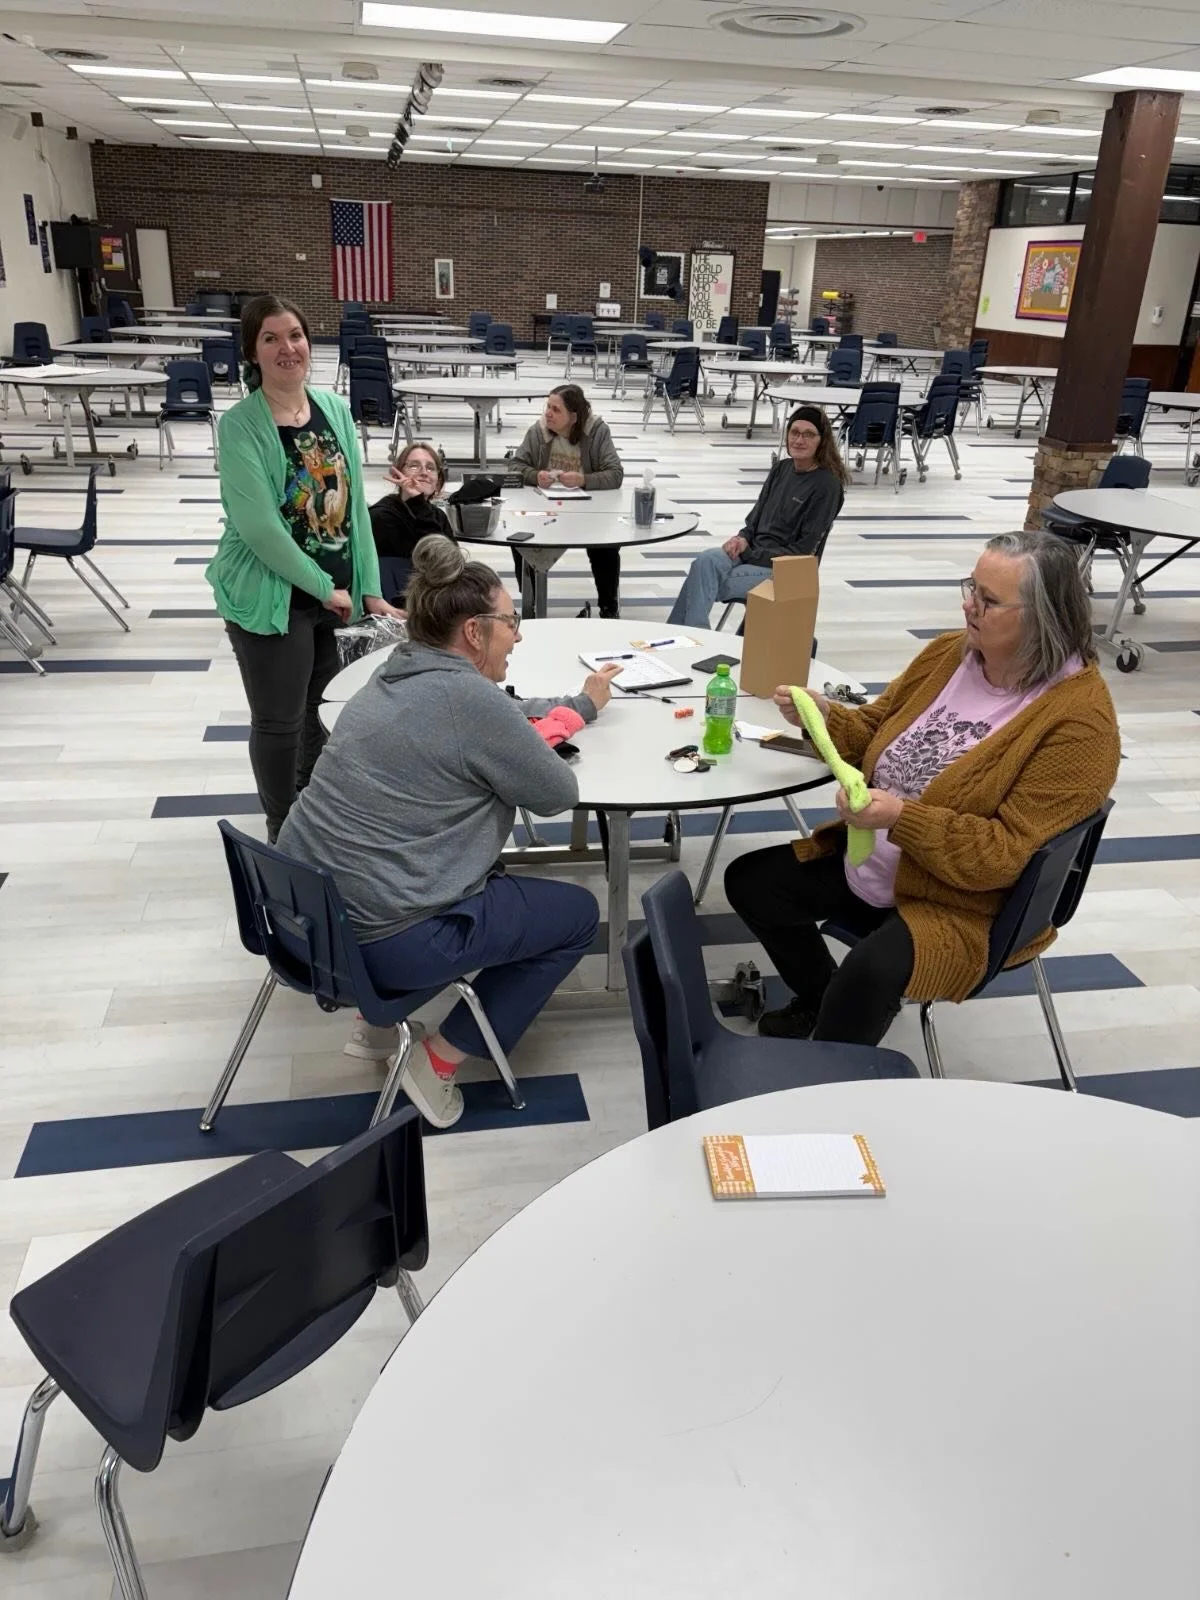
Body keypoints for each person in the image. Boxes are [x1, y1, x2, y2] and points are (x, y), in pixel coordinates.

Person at [724, 530, 1120, 1045]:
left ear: (1044, 617)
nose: (967, 604)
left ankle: (832, 1080)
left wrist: (900, 818)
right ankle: (822, 1007)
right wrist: (825, 717)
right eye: (970, 587)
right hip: (877, 861)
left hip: (961, 903)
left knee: (866, 974)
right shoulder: (950, 655)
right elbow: (875, 733)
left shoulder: (1078, 724)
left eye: (988, 599)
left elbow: (1004, 856)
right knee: (753, 883)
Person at [276, 534, 605, 1130]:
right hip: (384, 943)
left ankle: (375, 1030)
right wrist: (570, 716)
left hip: (303, 921)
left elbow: (491, 719)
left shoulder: (388, 673)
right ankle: (438, 1060)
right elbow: (557, 795)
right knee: (578, 914)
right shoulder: (468, 702)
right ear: (475, 632)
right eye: (512, 620)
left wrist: (571, 706)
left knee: (430, 851)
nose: (519, 634)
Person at [206, 294, 401, 842]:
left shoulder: (333, 409)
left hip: (335, 592)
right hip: (274, 594)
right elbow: (260, 527)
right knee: (280, 721)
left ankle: (312, 813)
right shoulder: (242, 426)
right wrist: (322, 587)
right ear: (253, 352)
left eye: (294, 334)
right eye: (270, 338)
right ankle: (280, 828)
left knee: (321, 711)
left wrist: (366, 588)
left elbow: (355, 505)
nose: (286, 347)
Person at [667, 405, 849, 628]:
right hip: (751, 553)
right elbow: (755, 518)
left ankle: (690, 641)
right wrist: (742, 538)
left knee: (704, 580)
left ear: (822, 441)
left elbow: (802, 552)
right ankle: (686, 638)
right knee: (704, 561)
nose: (799, 440)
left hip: (784, 571)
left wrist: (751, 552)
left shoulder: (827, 486)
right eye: (794, 432)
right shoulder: (781, 469)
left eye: (808, 434)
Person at [510, 383, 625, 617]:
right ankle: (530, 602)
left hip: (589, 511)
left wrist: (583, 479)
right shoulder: (538, 431)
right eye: (548, 407)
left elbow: (615, 473)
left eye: (556, 409)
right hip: (544, 509)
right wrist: (535, 476)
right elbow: (515, 465)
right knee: (520, 540)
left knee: (605, 547)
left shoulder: (597, 431)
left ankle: (608, 607)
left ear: (573, 416)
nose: (548, 414)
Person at [369, 441, 455, 605]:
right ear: (398, 475)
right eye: (414, 466)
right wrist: (418, 502)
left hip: (436, 603)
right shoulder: (382, 517)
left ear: (438, 480)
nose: (424, 472)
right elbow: (436, 563)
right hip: (401, 607)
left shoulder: (438, 516)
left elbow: (453, 568)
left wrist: (419, 504)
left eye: (430, 468)